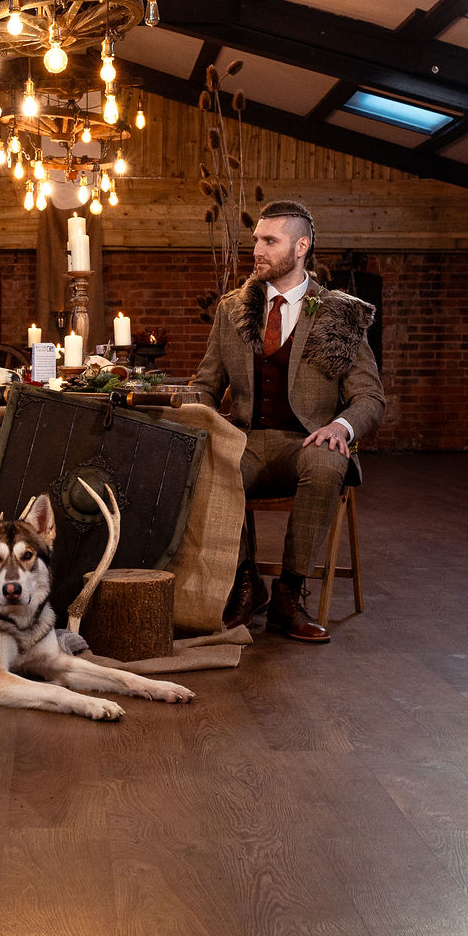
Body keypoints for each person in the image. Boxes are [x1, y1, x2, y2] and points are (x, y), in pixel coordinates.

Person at [190, 200, 385, 643]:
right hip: (245, 441)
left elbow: (370, 397)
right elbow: (205, 385)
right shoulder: (232, 309)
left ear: (301, 247)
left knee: (327, 460)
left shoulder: (341, 313)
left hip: (305, 444)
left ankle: (289, 594)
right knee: (208, 462)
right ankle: (246, 584)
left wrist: (340, 427)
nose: (257, 250)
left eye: (269, 241)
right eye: (256, 239)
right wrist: (196, 419)